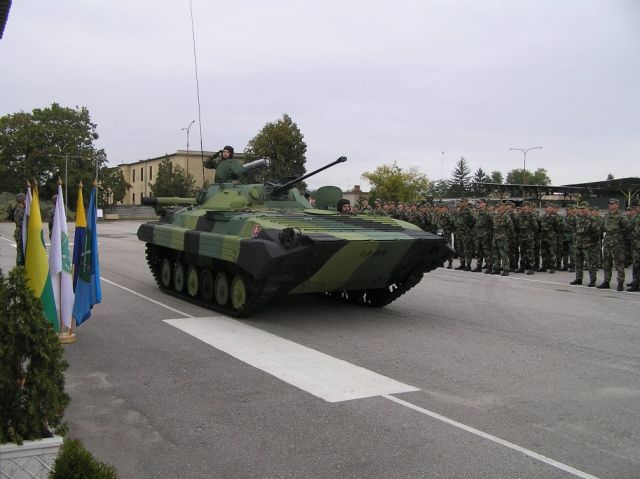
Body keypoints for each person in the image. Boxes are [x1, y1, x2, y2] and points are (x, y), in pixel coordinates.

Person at [598, 198, 630, 291]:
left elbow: (627, 228)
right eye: (609, 204)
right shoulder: (606, 216)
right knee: (606, 263)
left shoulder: (621, 217)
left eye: (612, 204)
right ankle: (606, 281)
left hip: (617, 244)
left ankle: (620, 283)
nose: (610, 206)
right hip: (607, 242)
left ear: (617, 205)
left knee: (619, 263)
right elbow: (603, 228)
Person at [13, 192, 26, 266]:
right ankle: (19, 267)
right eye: (24, 199)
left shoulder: (23, 208)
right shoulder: (19, 209)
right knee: (20, 252)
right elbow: (19, 222)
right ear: (21, 200)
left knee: (22, 251)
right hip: (20, 233)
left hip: (22, 232)